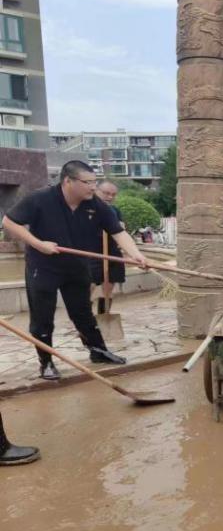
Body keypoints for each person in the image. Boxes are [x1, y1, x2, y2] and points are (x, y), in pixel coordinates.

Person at [2, 161, 148, 380]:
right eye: (87, 182)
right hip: (43, 267)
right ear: (68, 181)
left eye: (94, 182)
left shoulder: (95, 205)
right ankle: (47, 362)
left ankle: (98, 351)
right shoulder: (41, 199)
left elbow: (118, 232)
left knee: (82, 312)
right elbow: (9, 222)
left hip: (77, 265)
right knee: (43, 317)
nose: (92, 187)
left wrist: (136, 254)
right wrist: (39, 244)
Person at [90, 181, 126, 312]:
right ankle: (84, 324)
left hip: (112, 253)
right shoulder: (86, 209)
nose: (110, 197)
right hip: (92, 253)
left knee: (108, 288)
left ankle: (103, 318)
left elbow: (121, 229)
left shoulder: (114, 210)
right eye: (106, 193)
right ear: (96, 191)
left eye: (113, 194)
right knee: (89, 287)